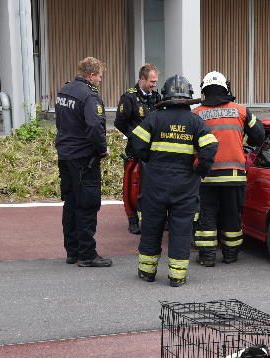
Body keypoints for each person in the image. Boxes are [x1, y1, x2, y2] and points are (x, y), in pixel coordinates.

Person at [129, 74, 218, 286]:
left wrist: (151, 161)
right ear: (188, 98)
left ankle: (147, 272)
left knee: (151, 226)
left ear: (166, 96)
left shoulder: (154, 118)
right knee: (181, 230)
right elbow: (211, 147)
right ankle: (177, 276)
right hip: (185, 186)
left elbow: (137, 142)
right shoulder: (196, 122)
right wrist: (200, 171)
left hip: (155, 184)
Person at [191, 71, 265, 266]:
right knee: (232, 216)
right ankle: (230, 255)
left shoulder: (196, 114)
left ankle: (207, 257)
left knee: (206, 216)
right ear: (226, 88)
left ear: (205, 90)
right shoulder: (241, 111)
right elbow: (259, 135)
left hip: (206, 177)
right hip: (234, 176)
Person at [54, 56, 112, 267]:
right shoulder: (89, 96)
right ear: (91, 75)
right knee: (87, 204)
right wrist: (102, 148)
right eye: (99, 76)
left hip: (65, 155)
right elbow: (95, 127)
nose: (100, 80)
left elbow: (61, 122)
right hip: (83, 158)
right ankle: (87, 255)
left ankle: (73, 251)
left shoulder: (64, 90)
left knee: (70, 203)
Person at [114, 64, 163, 234]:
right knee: (131, 184)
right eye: (151, 81)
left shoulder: (157, 97)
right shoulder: (129, 97)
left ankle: (153, 217)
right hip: (135, 149)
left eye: (156, 82)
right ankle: (132, 219)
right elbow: (119, 122)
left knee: (152, 185)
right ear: (142, 79)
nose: (154, 85)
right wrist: (135, 137)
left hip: (153, 149)